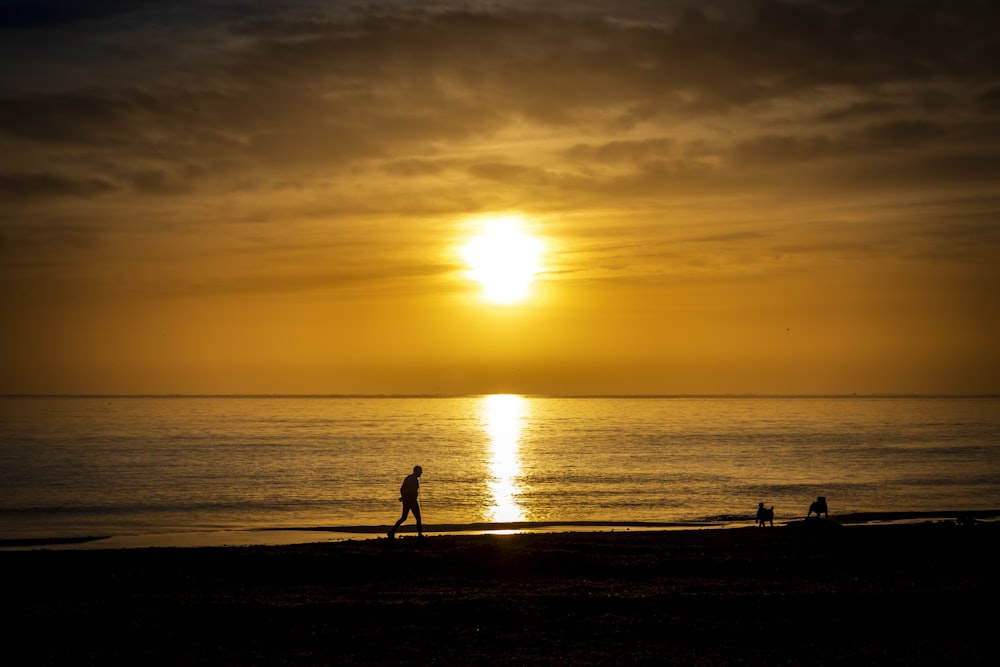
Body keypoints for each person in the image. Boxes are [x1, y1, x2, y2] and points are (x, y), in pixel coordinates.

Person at [388, 465, 423, 539]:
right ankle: (419, 535)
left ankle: (391, 532)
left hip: (410, 501)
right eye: (420, 471)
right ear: (416, 472)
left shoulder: (413, 479)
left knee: (404, 518)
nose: (421, 473)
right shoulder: (410, 479)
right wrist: (404, 497)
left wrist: (404, 497)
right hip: (411, 501)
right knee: (416, 518)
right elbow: (402, 489)